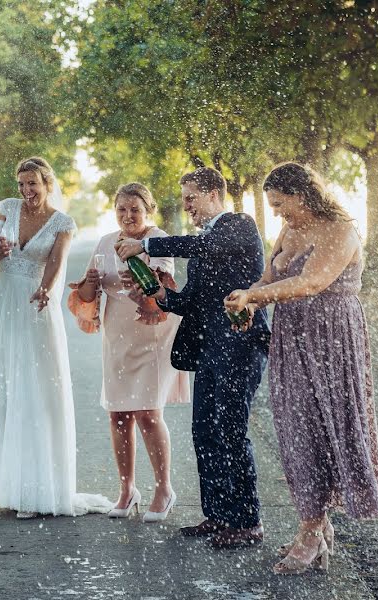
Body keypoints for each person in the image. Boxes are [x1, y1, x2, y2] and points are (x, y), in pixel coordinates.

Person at [224, 162, 378, 574]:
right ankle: (313, 523)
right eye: (271, 205)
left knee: (329, 426)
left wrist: (260, 297)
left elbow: (312, 283)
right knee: (297, 429)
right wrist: (247, 297)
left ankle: (312, 531)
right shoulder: (289, 230)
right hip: (291, 337)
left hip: (332, 338)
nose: (277, 212)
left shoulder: (340, 230)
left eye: (280, 203)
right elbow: (268, 279)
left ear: (303, 194)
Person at [116, 166, 270, 548]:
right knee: (204, 431)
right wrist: (155, 292)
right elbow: (191, 302)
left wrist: (146, 245)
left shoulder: (239, 225)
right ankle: (217, 516)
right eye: (184, 198)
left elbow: (199, 246)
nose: (186, 206)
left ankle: (247, 522)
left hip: (240, 344)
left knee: (231, 432)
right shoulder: (204, 243)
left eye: (191, 198)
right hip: (208, 350)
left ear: (214, 194)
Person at [0, 156, 111, 519]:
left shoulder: (62, 223)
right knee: (7, 390)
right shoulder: (8, 209)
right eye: (21, 184)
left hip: (36, 305)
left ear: (47, 183)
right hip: (3, 306)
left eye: (32, 183)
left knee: (34, 389)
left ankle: (39, 489)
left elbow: (56, 263)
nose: (26, 191)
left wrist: (47, 289)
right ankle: (14, 486)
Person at [67, 183, 190, 522]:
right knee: (118, 414)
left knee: (148, 414)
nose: (128, 215)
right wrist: (91, 280)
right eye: (122, 209)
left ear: (147, 209)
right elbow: (89, 297)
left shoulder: (157, 238)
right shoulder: (105, 242)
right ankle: (127, 488)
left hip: (153, 335)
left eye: (135, 209)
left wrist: (139, 272)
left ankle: (164, 488)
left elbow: (163, 283)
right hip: (117, 338)